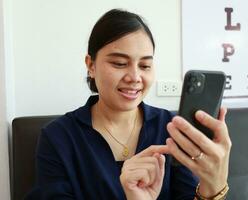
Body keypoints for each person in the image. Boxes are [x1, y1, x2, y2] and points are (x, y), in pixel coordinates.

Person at [26, 9, 231, 200]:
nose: (135, 77)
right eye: (119, 63)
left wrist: (214, 184)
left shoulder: (170, 127)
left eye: (145, 65)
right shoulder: (58, 137)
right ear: (91, 65)